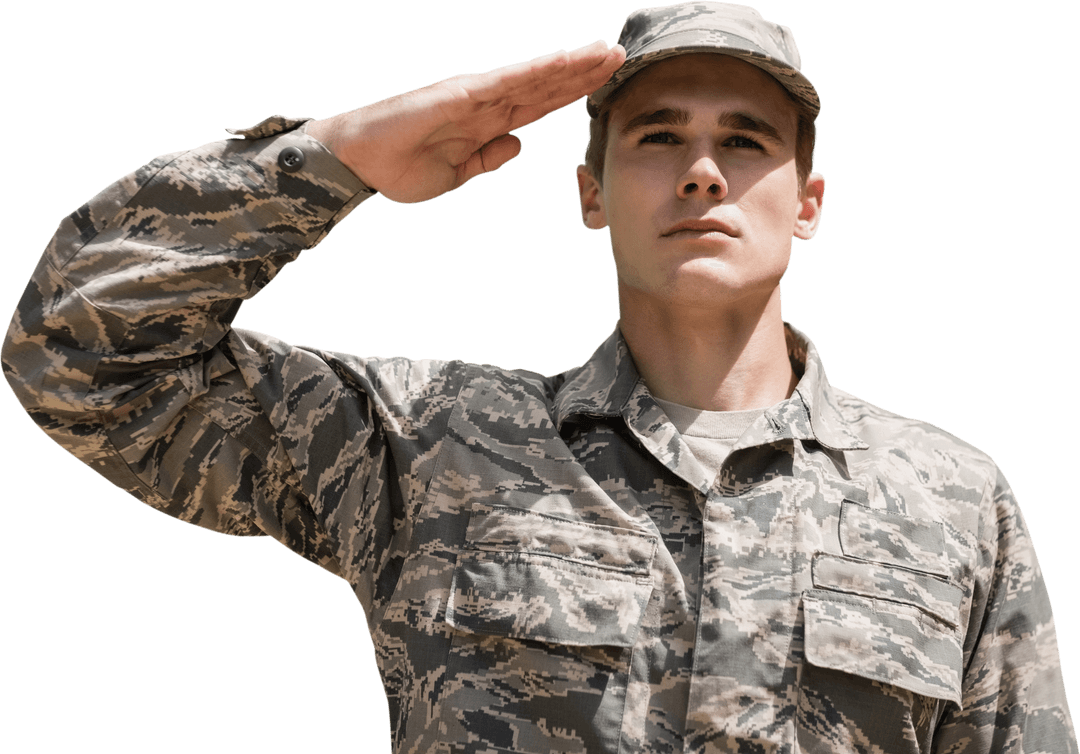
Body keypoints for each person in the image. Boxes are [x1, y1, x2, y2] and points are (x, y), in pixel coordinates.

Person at [3, 2, 1075, 752]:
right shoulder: (432, 444)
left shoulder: (951, 501)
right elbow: (81, 348)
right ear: (590, 193)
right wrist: (343, 157)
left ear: (809, 202)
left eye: (746, 140)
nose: (703, 168)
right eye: (659, 136)